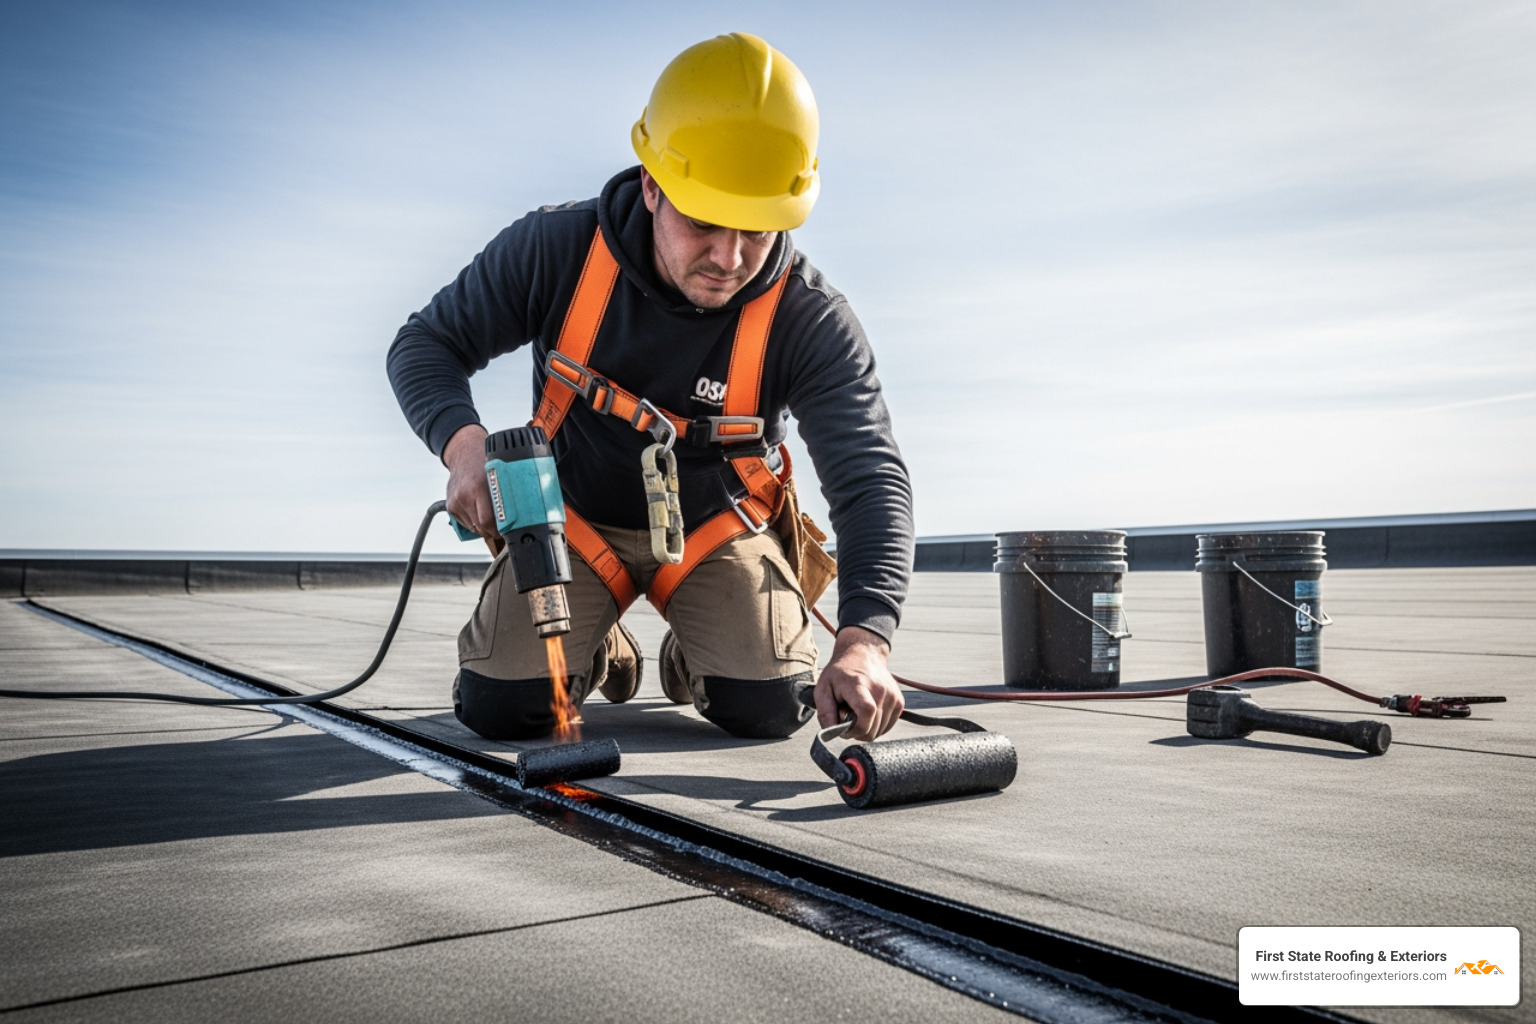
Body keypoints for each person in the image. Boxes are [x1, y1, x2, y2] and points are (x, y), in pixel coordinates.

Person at [387, 33, 913, 744]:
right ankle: (595, 643)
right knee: (502, 708)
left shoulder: (807, 317)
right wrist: (462, 443)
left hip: (712, 531)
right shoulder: (556, 251)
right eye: (704, 223)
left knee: (765, 705)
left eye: (757, 230)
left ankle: (697, 647)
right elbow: (425, 344)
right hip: (569, 528)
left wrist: (864, 643)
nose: (729, 259)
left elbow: (870, 477)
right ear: (653, 184)